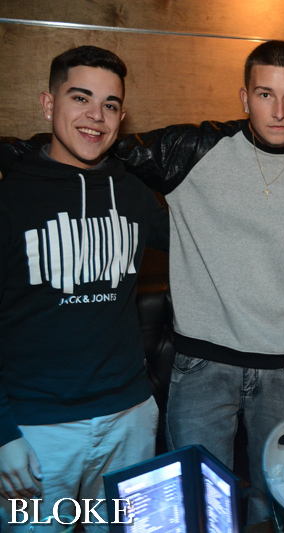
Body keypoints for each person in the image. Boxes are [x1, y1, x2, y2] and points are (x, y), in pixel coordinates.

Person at [0, 40, 284, 524]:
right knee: (197, 509)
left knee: (281, 507)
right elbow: (94, 140)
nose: (279, 110)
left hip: (265, 376)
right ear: (244, 97)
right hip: (191, 371)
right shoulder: (191, 150)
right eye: (265, 93)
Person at [0, 46, 168, 531]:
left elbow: (205, 244)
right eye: (80, 98)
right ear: (48, 104)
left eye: (110, 104)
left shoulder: (132, 192)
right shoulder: (10, 197)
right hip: (36, 433)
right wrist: (2, 433)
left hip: (130, 419)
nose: (96, 116)